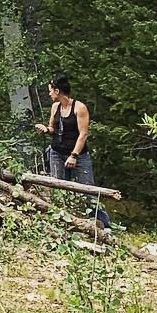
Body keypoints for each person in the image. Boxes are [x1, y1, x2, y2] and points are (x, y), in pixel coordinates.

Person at [34, 73, 111, 231]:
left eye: (50, 91)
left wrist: (74, 155)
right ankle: (62, 222)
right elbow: (52, 128)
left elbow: (83, 134)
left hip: (78, 155)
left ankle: (104, 225)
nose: (49, 94)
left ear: (57, 91)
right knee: (58, 187)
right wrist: (45, 129)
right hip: (57, 153)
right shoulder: (55, 107)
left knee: (88, 189)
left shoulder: (79, 108)